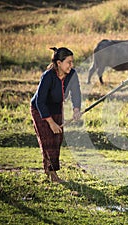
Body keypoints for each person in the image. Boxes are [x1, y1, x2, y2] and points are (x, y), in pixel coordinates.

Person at [30, 47, 82, 183]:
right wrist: (51, 122)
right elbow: (40, 101)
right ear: (59, 63)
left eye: (72, 62)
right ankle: (53, 175)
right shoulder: (48, 76)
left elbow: (76, 92)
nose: (71, 65)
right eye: (68, 62)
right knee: (48, 140)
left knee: (57, 139)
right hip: (40, 109)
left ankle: (49, 170)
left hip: (56, 108)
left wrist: (76, 109)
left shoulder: (72, 74)